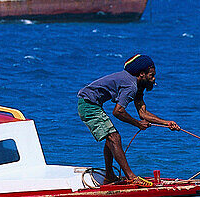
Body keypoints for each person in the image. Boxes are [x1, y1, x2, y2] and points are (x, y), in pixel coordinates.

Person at [77, 54, 180, 185]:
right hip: (88, 104)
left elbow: (143, 113)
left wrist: (167, 123)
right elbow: (118, 111)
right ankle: (131, 177)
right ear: (141, 74)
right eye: (151, 75)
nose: (154, 79)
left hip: (92, 103)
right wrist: (137, 124)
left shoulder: (138, 86)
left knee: (111, 138)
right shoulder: (131, 86)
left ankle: (109, 176)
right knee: (114, 137)